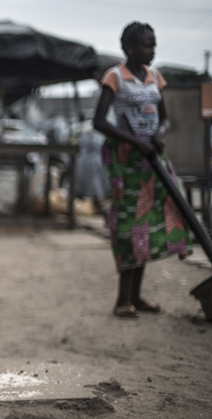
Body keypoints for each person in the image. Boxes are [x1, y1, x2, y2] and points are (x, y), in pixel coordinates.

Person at [93, 22, 192, 319]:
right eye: (147, 45)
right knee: (128, 227)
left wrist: (158, 134)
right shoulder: (114, 77)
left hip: (153, 161)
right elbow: (99, 121)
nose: (152, 50)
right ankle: (122, 300)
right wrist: (135, 141)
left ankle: (135, 297)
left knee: (148, 226)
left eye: (154, 44)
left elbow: (164, 119)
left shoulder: (154, 77)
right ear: (129, 48)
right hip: (128, 164)